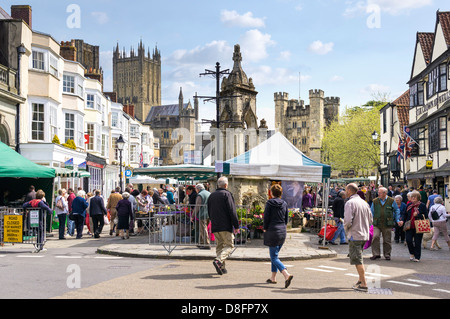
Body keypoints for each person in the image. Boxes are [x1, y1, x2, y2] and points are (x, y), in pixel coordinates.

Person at [344, 183, 373, 293]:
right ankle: (360, 280)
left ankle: (364, 283)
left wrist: (347, 229)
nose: (345, 192)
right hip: (364, 234)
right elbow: (371, 219)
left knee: (357, 260)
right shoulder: (364, 203)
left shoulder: (350, 203)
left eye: (346, 190)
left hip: (355, 234)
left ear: (350, 191)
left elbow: (347, 220)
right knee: (358, 257)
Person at [263, 184, 294, 288]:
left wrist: (265, 228)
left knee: (274, 257)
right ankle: (273, 278)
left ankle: (286, 274)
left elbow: (266, 217)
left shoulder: (269, 203)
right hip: (282, 232)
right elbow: (286, 219)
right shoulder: (284, 203)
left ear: (271, 193)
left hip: (272, 231)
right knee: (275, 255)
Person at [208, 176, 239, 275]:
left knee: (220, 246)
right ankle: (219, 261)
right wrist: (236, 225)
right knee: (230, 245)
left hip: (215, 225)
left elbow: (209, 211)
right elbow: (232, 210)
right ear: (226, 185)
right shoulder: (227, 194)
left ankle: (221, 267)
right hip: (225, 225)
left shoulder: (211, 195)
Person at [370, 187, 400, 261]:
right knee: (375, 237)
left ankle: (387, 254)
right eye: (378, 192)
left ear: (385, 193)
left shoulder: (391, 201)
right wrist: (371, 221)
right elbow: (371, 212)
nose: (378, 194)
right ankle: (376, 254)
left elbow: (396, 210)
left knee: (387, 240)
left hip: (387, 223)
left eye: (380, 193)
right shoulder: (375, 201)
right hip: (377, 223)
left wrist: (397, 219)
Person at [399, 190, 427, 262]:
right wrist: (402, 220)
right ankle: (412, 253)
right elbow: (405, 214)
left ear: (418, 198)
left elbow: (426, 215)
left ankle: (417, 257)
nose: (413, 198)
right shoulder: (409, 205)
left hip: (418, 225)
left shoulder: (422, 205)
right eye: (412, 197)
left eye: (415, 197)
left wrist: (418, 215)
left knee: (418, 242)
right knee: (408, 240)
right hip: (410, 226)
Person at [192, 183, 211, 249]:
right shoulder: (209, 193)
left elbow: (197, 206)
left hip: (202, 214)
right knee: (202, 229)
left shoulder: (200, 195)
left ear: (197, 189)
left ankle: (206, 244)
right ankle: (201, 242)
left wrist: (192, 216)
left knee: (203, 229)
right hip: (209, 213)